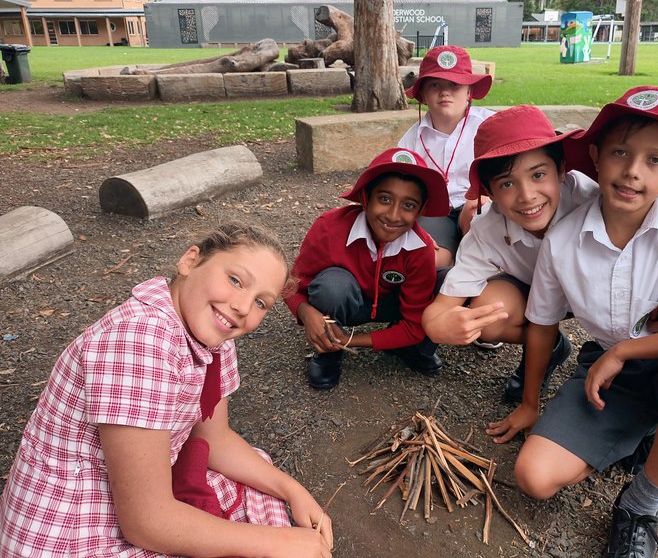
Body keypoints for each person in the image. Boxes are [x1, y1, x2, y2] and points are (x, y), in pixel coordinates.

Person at [487, 86, 658, 558]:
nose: (632, 170)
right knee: (534, 477)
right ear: (594, 158)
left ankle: (640, 502)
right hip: (612, 374)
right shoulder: (563, 240)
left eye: (655, 160)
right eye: (620, 152)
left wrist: (625, 349)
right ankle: (646, 432)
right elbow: (543, 324)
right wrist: (530, 402)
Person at [0, 224, 334, 558]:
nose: (243, 307)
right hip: (67, 525)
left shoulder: (212, 336)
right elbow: (146, 522)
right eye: (235, 280)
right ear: (190, 261)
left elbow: (214, 440)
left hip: (129, 494)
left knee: (260, 481)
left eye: (261, 302)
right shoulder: (139, 342)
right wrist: (272, 543)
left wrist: (294, 491)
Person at [421, 105, 598, 401]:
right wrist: (436, 326)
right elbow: (441, 308)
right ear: (490, 191)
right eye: (507, 183)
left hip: (593, 289)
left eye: (538, 174)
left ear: (562, 171)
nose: (527, 195)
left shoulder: (593, 199)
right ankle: (550, 346)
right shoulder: (486, 230)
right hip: (533, 293)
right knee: (488, 315)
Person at [284, 148, 450, 390]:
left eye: (408, 205)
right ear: (365, 197)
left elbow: (415, 324)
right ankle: (328, 350)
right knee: (333, 286)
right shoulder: (329, 227)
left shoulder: (420, 249)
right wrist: (305, 312)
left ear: (421, 211)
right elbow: (291, 284)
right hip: (347, 299)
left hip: (392, 306)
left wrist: (353, 340)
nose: (393, 215)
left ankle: (409, 347)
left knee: (448, 283)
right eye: (384, 199)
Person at [399, 44, 494, 268]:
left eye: (454, 84)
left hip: (478, 204)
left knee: (478, 214)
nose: (445, 92)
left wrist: (487, 196)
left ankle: (483, 276)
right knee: (431, 258)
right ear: (422, 93)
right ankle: (444, 275)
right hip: (434, 211)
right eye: (435, 85)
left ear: (469, 91)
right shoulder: (411, 140)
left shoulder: (489, 126)